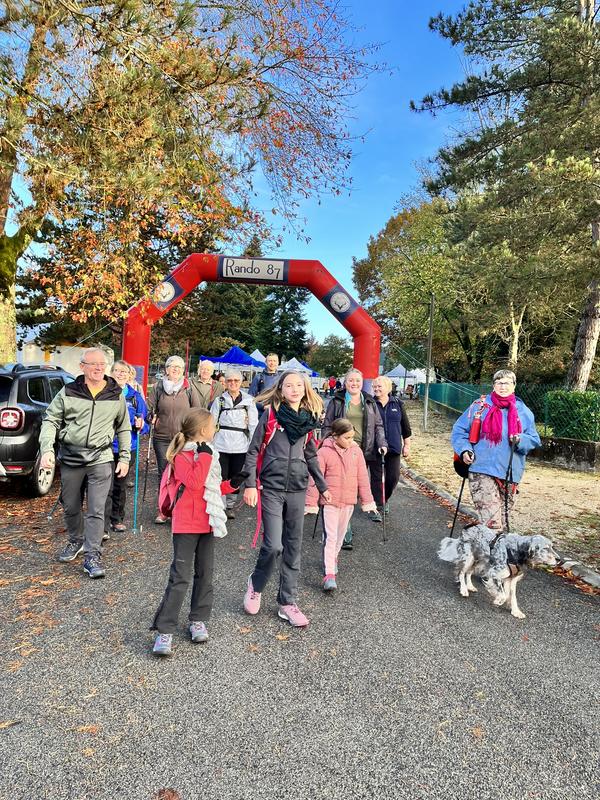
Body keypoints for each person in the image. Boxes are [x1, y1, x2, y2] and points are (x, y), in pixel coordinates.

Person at [151, 409, 243, 656]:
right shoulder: (182, 456)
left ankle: (197, 618)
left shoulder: (209, 454)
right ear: (203, 431)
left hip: (207, 522)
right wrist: (203, 454)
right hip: (185, 523)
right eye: (212, 426)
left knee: (205, 574)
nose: (215, 430)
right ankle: (165, 630)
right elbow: (193, 482)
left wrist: (231, 485)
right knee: (180, 577)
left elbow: (210, 488)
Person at [242, 371, 331, 627]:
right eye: (289, 385)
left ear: (305, 389)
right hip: (271, 487)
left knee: (293, 547)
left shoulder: (310, 420)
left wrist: (322, 487)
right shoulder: (270, 415)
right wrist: (249, 485)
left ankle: (287, 602)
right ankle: (256, 584)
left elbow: (311, 455)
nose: (294, 389)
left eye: (299, 385)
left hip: (298, 488)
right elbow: (253, 450)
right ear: (280, 388)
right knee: (273, 545)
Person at [39, 348, 131, 579]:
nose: (99, 368)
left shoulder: (115, 393)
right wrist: (47, 449)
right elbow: (50, 419)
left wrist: (125, 457)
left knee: (96, 509)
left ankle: (92, 555)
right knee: (70, 505)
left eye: (102, 364)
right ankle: (76, 540)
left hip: (101, 458)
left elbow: (123, 426)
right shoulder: (68, 391)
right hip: (71, 457)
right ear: (82, 367)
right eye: (93, 364)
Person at [451, 369, 541, 531]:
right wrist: (465, 450)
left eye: (507, 383)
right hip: (481, 468)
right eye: (498, 382)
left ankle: (483, 548)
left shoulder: (524, 412)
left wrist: (520, 439)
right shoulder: (480, 406)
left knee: (503, 522)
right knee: (493, 523)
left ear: (514, 386)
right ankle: (490, 554)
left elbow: (534, 440)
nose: (502, 386)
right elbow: (459, 430)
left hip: (510, 472)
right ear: (493, 385)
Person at [305, 418, 376, 592]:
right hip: (330, 501)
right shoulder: (324, 452)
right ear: (335, 436)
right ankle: (329, 574)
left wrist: (367, 501)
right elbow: (315, 478)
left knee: (340, 535)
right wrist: (310, 502)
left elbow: (363, 478)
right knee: (331, 536)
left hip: (348, 501)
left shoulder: (356, 451)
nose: (350, 441)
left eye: (352, 437)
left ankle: (333, 558)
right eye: (347, 437)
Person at [321, 368, 387, 548]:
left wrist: (382, 443)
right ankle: (346, 532)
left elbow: (379, 426)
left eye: (357, 381)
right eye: (351, 380)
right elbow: (327, 425)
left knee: (357, 487)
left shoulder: (370, 401)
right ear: (345, 382)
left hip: (364, 449)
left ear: (362, 382)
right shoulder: (337, 401)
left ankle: (367, 509)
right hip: (341, 450)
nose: (354, 383)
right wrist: (328, 442)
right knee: (342, 489)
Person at [147, 355, 201, 524]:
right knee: (164, 473)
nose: (175, 369)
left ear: (183, 370)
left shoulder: (189, 387)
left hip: (183, 438)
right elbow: (149, 408)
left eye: (179, 367)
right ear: (166, 369)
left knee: (183, 473)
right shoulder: (158, 387)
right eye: (172, 366)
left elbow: (197, 411)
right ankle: (164, 509)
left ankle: (182, 510)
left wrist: (194, 432)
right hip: (162, 437)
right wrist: (149, 417)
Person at [104, 360, 149, 536]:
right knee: (104, 485)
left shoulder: (135, 397)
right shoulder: (104, 392)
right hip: (105, 446)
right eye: (117, 371)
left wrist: (141, 425)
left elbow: (145, 425)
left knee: (120, 485)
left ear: (130, 375)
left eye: (124, 372)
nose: (120, 374)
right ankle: (103, 521)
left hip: (128, 446)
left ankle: (117, 518)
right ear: (111, 373)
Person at [210, 369, 258, 519]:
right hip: (221, 444)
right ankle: (221, 505)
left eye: (236, 381)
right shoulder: (220, 400)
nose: (233, 383)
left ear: (241, 382)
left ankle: (230, 505)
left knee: (236, 476)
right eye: (230, 381)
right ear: (225, 382)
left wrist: (253, 445)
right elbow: (212, 422)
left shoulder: (249, 401)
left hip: (241, 445)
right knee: (221, 475)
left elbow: (253, 425)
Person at [370, 375, 411, 516]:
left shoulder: (397, 404)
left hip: (394, 447)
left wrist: (407, 445)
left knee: (393, 477)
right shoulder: (370, 404)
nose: (376, 389)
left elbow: (405, 426)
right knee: (376, 477)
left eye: (379, 386)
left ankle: (384, 499)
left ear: (388, 388)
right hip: (376, 447)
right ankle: (377, 505)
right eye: (374, 386)